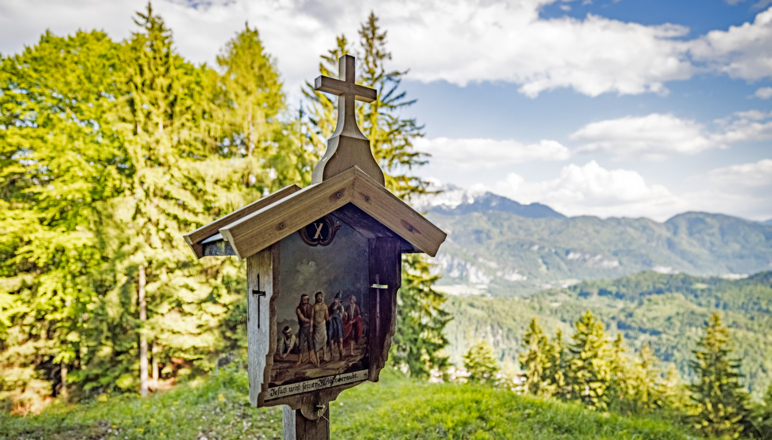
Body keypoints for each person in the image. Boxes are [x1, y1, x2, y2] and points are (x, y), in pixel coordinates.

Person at [295, 294, 317, 366]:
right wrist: (310, 320)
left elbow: (312, 317)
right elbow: (302, 319)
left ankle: (310, 359)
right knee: (301, 344)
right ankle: (299, 361)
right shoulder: (298, 309)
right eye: (304, 300)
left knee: (310, 344)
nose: (305, 301)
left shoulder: (311, 307)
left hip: (309, 327)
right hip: (302, 328)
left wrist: (311, 327)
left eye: (306, 300)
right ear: (301, 300)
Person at [310, 291, 329, 364]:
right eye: (318, 297)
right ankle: (318, 360)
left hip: (322, 325)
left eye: (320, 296)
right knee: (316, 342)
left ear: (322, 297)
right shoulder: (314, 307)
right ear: (316, 298)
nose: (319, 298)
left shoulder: (325, 306)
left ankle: (324, 357)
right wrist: (311, 327)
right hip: (316, 326)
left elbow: (327, 317)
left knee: (324, 341)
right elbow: (311, 318)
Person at [327, 292, 345, 360]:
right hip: (332, 325)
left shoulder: (341, 307)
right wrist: (330, 317)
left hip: (338, 324)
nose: (335, 300)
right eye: (335, 299)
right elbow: (328, 314)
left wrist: (333, 316)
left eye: (337, 299)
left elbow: (341, 316)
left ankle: (341, 356)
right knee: (331, 340)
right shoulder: (331, 306)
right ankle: (332, 356)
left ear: (339, 300)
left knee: (340, 340)